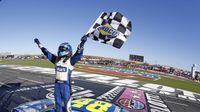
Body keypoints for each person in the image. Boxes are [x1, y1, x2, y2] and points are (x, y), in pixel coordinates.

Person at [34, 35, 87, 112]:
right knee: (58, 105)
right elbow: (46, 52)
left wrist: (82, 43)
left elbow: (78, 54)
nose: (60, 50)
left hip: (66, 86)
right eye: (60, 49)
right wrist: (39, 44)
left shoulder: (71, 61)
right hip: (57, 86)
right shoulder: (56, 60)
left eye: (62, 49)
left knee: (67, 107)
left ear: (68, 50)